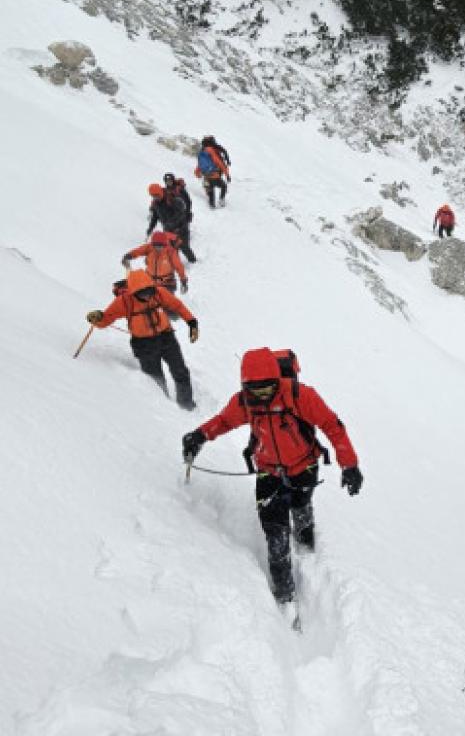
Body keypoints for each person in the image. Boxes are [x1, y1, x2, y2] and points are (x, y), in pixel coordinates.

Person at [181, 347, 363, 604]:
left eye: (267, 389)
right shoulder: (245, 401)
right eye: (255, 390)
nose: (262, 396)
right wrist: (200, 435)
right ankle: (284, 591)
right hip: (268, 472)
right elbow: (223, 421)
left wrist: (349, 464)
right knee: (274, 533)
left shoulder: (300, 395)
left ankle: (304, 536)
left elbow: (332, 425)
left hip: (304, 466)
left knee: (301, 504)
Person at [86, 269, 199, 409]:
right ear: (133, 291)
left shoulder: (159, 293)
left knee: (180, 370)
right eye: (141, 293)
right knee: (155, 379)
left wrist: (192, 322)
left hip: (166, 337)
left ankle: (186, 403)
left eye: (149, 291)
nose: (147, 295)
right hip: (144, 345)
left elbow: (177, 305)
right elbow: (106, 320)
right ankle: (164, 409)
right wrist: (97, 318)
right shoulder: (123, 302)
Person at [122, 231, 188, 295]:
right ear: (153, 244)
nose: (158, 248)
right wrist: (128, 256)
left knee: (166, 302)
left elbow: (179, 267)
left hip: (167, 283)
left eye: (161, 246)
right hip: (150, 281)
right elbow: (138, 251)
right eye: (156, 246)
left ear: (165, 244)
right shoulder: (149, 248)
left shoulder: (171, 252)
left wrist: (183, 281)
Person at [147, 183, 196, 263]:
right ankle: (175, 264)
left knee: (184, 247)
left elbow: (181, 214)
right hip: (168, 230)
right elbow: (155, 217)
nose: (156, 197)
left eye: (157, 195)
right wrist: (150, 228)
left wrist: (171, 224)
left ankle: (193, 262)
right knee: (171, 249)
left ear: (160, 192)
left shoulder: (173, 199)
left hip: (181, 228)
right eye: (153, 196)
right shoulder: (156, 203)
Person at [195, 137, 230, 208]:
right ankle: (221, 200)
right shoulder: (212, 151)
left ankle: (212, 206)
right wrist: (227, 175)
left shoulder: (202, 152)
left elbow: (199, 165)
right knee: (224, 186)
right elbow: (221, 163)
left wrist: (197, 174)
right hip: (215, 176)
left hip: (206, 177)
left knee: (210, 192)